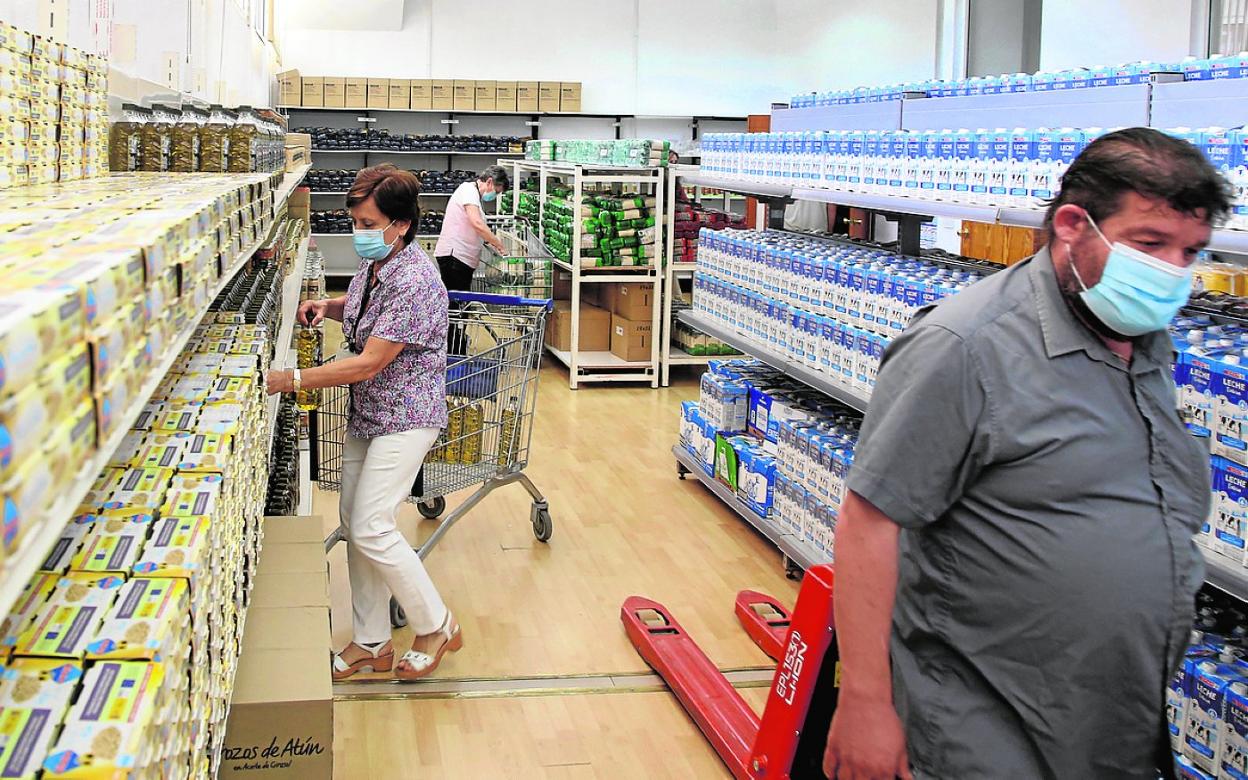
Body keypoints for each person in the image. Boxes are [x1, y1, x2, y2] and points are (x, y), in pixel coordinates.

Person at [822, 127, 1233, 779]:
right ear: (1072, 225)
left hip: (1111, 716)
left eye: (1190, 251)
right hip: (989, 719)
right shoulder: (966, 344)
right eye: (1150, 244)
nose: (1172, 272)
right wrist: (866, 702)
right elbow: (869, 521)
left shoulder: (1146, 340)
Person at [265, 164, 461, 682]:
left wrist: (291, 379)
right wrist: (326, 306)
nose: (359, 232)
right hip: (370, 412)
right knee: (355, 526)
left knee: (374, 525)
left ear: (401, 224)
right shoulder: (377, 265)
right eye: (355, 221)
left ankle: (436, 624)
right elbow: (362, 310)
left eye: (369, 223)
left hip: (406, 416)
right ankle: (371, 641)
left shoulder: (414, 279)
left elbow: (369, 361)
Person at [434, 165, 510, 292]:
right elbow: (477, 223)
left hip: (461, 259)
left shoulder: (474, 194)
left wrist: (488, 241)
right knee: (458, 300)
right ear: (489, 182)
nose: (495, 195)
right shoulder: (468, 191)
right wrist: (499, 245)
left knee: (461, 299)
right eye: (496, 192)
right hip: (454, 257)